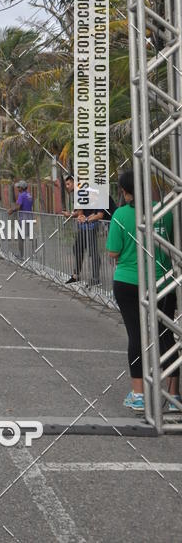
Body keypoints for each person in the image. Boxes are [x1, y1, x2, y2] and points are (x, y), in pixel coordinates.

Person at [106, 170, 181, 413]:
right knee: (166, 336)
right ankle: (174, 395)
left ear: (125, 192)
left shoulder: (120, 214)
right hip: (162, 282)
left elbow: (113, 251)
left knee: (136, 336)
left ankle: (138, 394)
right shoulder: (165, 211)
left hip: (128, 282)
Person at [64, 175, 116, 286]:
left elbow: (100, 215)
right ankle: (77, 275)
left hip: (113, 224)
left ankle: (101, 279)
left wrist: (86, 219)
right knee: (78, 248)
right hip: (93, 225)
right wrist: (82, 217)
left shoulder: (100, 196)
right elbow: (91, 213)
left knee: (109, 253)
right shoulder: (88, 195)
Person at [7, 181, 33, 258]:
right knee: (29, 236)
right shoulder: (29, 195)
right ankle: (31, 255)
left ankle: (21, 255)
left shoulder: (21, 195)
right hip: (30, 217)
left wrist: (11, 210)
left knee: (21, 237)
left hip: (23, 218)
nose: (17, 188)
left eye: (18, 187)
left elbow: (18, 206)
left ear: (22, 188)